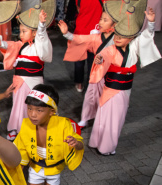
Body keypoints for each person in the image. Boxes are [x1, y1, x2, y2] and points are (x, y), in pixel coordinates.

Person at [14, 85, 84, 185]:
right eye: (30, 109)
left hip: (55, 169)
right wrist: (17, 168)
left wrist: (76, 143)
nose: (33, 114)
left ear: (52, 111)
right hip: (36, 168)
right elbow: (21, 147)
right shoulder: (26, 124)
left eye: (39, 110)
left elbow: (79, 142)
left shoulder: (63, 124)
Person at [89, 6, 161, 155]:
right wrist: (99, 59)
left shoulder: (134, 47)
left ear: (131, 38)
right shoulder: (111, 49)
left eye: (122, 36)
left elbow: (146, 37)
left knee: (117, 118)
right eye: (116, 36)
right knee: (109, 118)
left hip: (125, 89)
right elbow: (104, 56)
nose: (117, 39)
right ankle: (104, 147)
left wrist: (151, 23)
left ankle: (104, 144)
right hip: (111, 89)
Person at [0, 2, 55, 141]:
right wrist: (0, 44)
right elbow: (10, 45)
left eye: (24, 31)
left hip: (34, 81)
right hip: (19, 82)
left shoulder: (39, 44)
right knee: (18, 105)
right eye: (20, 31)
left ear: (34, 33)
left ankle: (31, 129)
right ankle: (15, 128)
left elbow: (42, 38)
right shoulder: (20, 45)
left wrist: (41, 26)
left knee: (33, 106)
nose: (20, 34)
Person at [58, 11, 116, 128]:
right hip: (98, 72)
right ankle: (85, 118)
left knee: (108, 99)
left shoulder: (118, 39)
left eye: (105, 20)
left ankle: (103, 121)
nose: (101, 22)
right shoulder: (96, 37)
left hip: (112, 74)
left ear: (114, 24)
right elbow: (80, 39)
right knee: (90, 96)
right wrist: (66, 34)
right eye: (101, 19)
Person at [71, 0, 104, 92]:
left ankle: (79, 83)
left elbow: (78, 9)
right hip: (96, 32)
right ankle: (90, 84)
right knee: (92, 61)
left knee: (79, 61)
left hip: (81, 31)